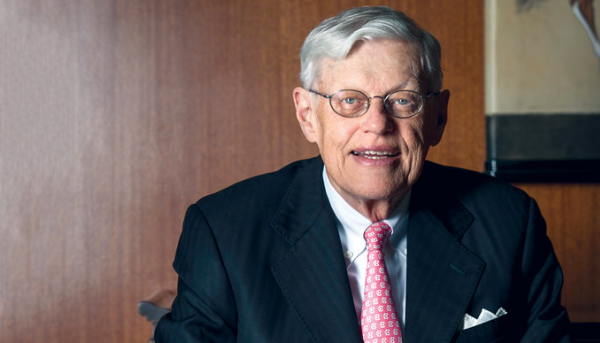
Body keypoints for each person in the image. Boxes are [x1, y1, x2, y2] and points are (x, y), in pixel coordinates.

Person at [155, 6, 570, 343]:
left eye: (403, 100)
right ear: (307, 115)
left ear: (438, 116)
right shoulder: (224, 232)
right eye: (350, 100)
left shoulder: (510, 222)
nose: (377, 123)